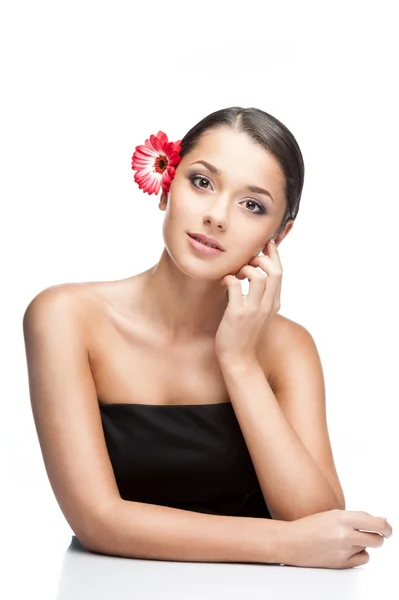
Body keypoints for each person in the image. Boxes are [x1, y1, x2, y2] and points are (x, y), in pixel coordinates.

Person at [23, 106, 392, 570]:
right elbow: (97, 519)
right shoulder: (65, 318)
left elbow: (318, 522)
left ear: (278, 235)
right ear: (166, 187)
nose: (217, 216)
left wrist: (239, 362)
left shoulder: (288, 348)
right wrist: (281, 545)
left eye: (252, 205)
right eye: (202, 182)